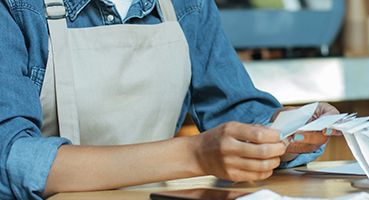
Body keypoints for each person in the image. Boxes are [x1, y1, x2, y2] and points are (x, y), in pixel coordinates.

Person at [0, 0, 339, 199]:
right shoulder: (17, 8)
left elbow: (236, 111)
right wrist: (196, 154)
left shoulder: (186, 6)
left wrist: (283, 132)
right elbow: (10, 158)